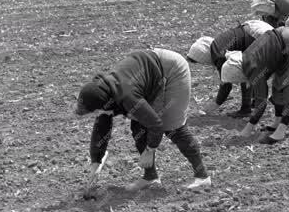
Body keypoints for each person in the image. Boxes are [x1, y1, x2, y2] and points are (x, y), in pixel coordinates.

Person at [76, 49, 211, 196]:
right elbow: (101, 129)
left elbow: (156, 125)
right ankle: (150, 177)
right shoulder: (104, 96)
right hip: (148, 72)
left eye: (96, 111)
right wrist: (96, 162)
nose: (97, 115)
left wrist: (150, 150)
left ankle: (202, 176)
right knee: (139, 125)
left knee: (173, 127)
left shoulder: (127, 96)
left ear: (103, 104)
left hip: (171, 69)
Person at [220, 26, 289, 144]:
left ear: (238, 74)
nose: (239, 83)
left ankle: (280, 132)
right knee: (278, 85)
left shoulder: (253, 68)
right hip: (285, 42)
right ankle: (276, 123)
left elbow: (261, 101)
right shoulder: (246, 59)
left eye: (236, 80)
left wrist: (248, 128)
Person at [187, 20, 273, 118]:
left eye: (203, 62)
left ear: (204, 55)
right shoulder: (219, 43)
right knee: (245, 70)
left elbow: (226, 85)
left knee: (246, 71)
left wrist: (215, 104)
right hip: (257, 28)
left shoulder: (218, 55)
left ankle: (250, 108)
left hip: (258, 36)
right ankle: (251, 104)